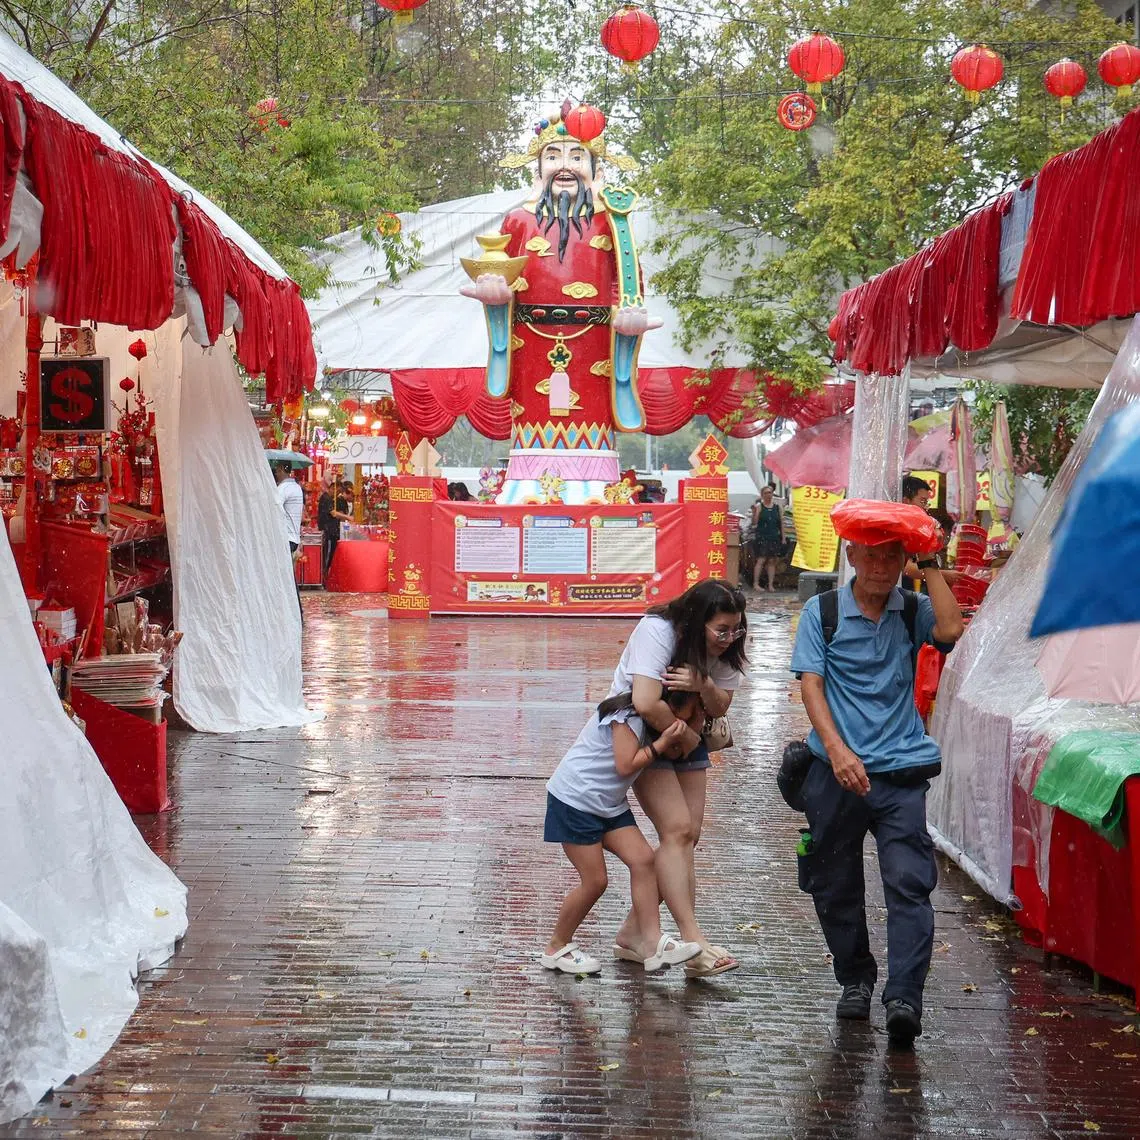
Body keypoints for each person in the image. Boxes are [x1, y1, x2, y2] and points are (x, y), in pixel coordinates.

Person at [790, 538, 965, 1045]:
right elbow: (811, 684)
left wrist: (929, 562)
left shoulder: (912, 607)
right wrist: (837, 749)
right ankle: (855, 979)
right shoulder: (821, 611)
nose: (881, 567)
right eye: (871, 555)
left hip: (900, 773)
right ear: (851, 556)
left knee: (910, 884)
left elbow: (951, 629)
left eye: (893, 556)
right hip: (834, 771)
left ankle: (905, 995)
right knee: (833, 883)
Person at [610, 579, 748, 978]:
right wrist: (684, 736)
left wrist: (702, 682)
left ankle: (635, 932)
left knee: (689, 835)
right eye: (721, 629)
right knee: (677, 830)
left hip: (691, 734)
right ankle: (694, 942)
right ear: (693, 620)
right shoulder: (657, 630)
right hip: (646, 734)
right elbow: (645, 701)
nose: (729, 637)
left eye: (736, 629)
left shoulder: (725, 647)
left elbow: (721, 704)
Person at [541, 689, 704, 975]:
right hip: (576, 800)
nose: (679, 723)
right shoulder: (627, 716)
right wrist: (664, 742)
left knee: (644, 861)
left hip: (608, 804)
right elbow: (624, 763)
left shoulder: (649, 722)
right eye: (679, 716)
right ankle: (557, 946)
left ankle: (650, 941)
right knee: (595, 881)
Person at [900, 475, 961, 589]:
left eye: (927, 502)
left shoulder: (917, 527)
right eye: (922, 501)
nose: (926, 507)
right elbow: (906, 568)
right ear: (906, 501)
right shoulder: (899, 526)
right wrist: (944, 575)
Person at [274, 460, 304, 617]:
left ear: (281, 469)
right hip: (293, 538)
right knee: (289, 577)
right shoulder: (296, 487)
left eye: (277, 470)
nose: (276, 473)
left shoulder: (283, 488)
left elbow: (272, 505)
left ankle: (293, 613)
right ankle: (296, 612)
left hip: (286, 538)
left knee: (286, 578)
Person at [750, 485, 786, 591]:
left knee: (771, 561)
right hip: (762, 537)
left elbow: (781, 524)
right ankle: (756, 584)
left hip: (774, 537)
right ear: (762, 495)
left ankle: (770, 585)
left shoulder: (777, 507)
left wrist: (783, 538)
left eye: (770, 492)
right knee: (761, 560)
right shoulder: (759, 507)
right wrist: (754, 513)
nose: (768, 495)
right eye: (766, 493)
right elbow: (754, 523)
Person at [317, 472, 351, 579]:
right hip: (327, 531)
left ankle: (327, 574)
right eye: (337, 491)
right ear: (332, 488)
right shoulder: (326, 498)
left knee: (330, 553)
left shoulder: (331, 499)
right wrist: (348, 518)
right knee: (327, 554)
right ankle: (325, 575)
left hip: (331, 531)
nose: (338, 493)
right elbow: (333, 513)